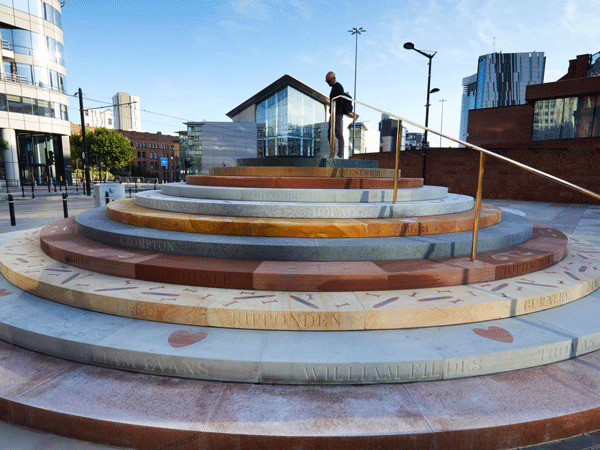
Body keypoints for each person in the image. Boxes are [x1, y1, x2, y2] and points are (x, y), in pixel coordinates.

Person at [326, 71, 345, 159]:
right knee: (330, 134)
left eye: (329, 81)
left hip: (337, 114)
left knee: (338, 134)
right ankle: (333, 153)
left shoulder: (338, 87)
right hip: (333, 114)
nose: (328, 83)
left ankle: (340, 155)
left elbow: (340, 101)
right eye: (327, 82)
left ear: (334, 79)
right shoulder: (334, 87)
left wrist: (335, 111)